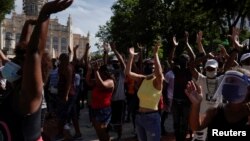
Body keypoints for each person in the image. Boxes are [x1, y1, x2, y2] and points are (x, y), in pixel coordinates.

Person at [0, 0, 73, 141]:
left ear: (27, 70)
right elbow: (23, 49)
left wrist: (45, 14)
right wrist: (27, 25)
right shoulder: (13, 87)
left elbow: (34, 52)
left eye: (16, 62)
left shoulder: (29, 96)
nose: (11, 62)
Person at [186, 68, 250, 141]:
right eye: (229, 81)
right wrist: (196, 105)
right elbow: (195, 127)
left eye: (234, 82)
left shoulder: (248, 114)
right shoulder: (215, 111)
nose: (230, 85)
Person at [125, 42, 163, 141]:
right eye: (148, 65)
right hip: (139, 117)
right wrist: (131, 56)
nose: (151, 67)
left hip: (152, 118)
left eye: (153, 66)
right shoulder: (143, 78)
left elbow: (159, 73)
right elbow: (128, 73)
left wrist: (155, 54)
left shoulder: (157, 82)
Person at [86, 47, 115, 141]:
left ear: (105, 73)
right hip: (95, 109)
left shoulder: (110, 81)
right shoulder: (99, 79)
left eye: (101, 72)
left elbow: (102, 85)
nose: (99, 74)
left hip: (104, 110)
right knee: (98, 132)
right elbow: (88, 82)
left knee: (103, 132)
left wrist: (96, 71)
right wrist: (90, 72)